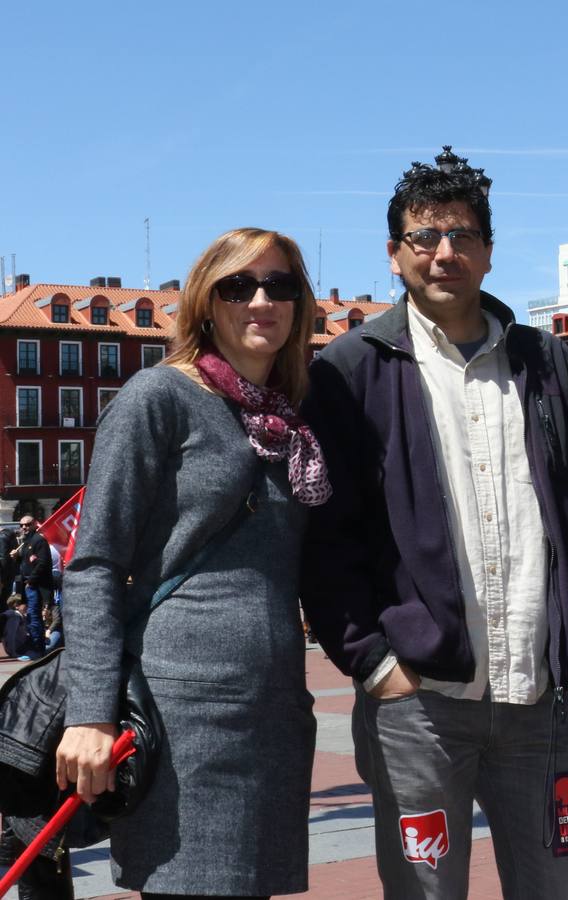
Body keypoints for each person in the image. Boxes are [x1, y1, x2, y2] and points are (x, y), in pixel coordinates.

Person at [300, 148, 568, 900]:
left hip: (538, 699)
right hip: (419, 704)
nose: (445, 253)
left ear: (489, 251)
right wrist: (374, 664)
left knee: (565, 889)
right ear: (394, 253)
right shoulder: (350, 370)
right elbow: (325, 538)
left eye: (464, 235)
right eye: (425, 237)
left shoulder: (548, 364)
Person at [55, 227, 325, 898]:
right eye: (240, 285)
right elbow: (93, 564)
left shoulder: (291, 420)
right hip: (180, 712)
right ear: (207, 301)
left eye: (279, 285)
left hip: (271, 708)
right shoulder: (158, 398)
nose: (262, 300)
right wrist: (90, 713)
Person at [13, 517, 52, 657]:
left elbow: (43, 563)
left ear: (34, 524)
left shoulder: (39, 540)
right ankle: (35, 647)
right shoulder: (25, 542)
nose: (24, 527)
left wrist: (31, 580)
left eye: (27, 525)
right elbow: (25, 563)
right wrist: (17, 557)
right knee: (29, 616)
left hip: (35, 585)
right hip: (26, 584)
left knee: (34, 615)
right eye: (21, 525)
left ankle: (38, 649)